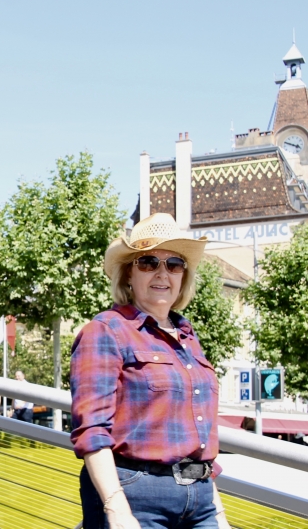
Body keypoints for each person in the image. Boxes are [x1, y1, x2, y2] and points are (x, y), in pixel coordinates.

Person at [70, 213, 229, 529]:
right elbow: (92, 431)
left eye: (174, 264)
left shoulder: (187, 337)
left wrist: (219, 514)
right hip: (136, 498)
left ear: (183, 276)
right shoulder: (106, 331)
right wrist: (117, 509)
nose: (162, 273)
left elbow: (198, 436)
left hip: (200, 501)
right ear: (128, 273)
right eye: (148, 262)